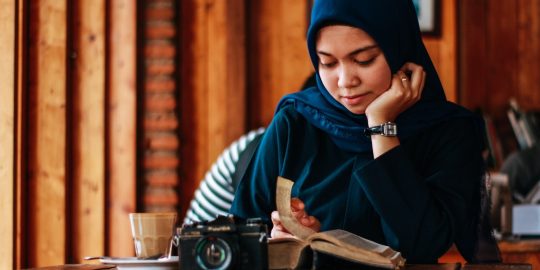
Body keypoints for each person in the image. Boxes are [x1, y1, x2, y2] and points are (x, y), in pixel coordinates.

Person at [230, 0, 500, 266]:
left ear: (399, 51)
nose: (346, 81)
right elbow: (242, 234)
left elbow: (421, 245)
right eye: (328, 63)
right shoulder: (295, 123)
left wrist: (381, 126)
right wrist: (278, 241)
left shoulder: (448, 132)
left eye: (364, 60)